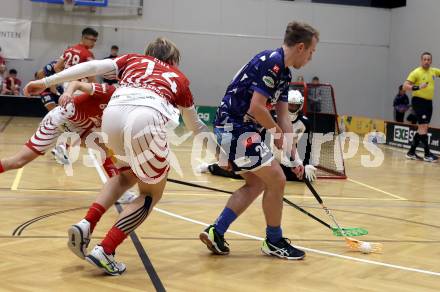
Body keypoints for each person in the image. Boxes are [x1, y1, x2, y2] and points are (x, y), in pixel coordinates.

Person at [24, 37, 211, 276]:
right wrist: (222, 156)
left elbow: (91, 68)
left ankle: (86, 224)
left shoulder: (133, 59)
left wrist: (46, 81)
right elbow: (196, 128)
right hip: (146, 118)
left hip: (112, 117)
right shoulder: (179, 78)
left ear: (148, 52)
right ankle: (106, 249)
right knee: (150, 193)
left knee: (126, 176)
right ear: (173, 61)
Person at [200, 21, 319, 260]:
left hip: (240, 129)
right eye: (311, 52)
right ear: (300, 47)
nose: (310, 58)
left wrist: (295, 158)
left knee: (256, 183)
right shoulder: (272, 62)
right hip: (235, 128)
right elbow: (257, 108)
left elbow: (284, 117)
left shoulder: (284, 72)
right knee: (277, 179)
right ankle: (274, 240)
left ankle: (216, 231)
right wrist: (275, 133)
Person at [198, 90, 317, 182]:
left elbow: (306, 146)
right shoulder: (271, 117)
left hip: (286, 161)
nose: (292, 108)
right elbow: (258, 134)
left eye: (295, 106)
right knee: (240, 172)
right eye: (289, 105)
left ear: (300, 106)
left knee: (300, 177)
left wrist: (305, 164)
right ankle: (210, 167)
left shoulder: (305, 123)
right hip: (266, 155)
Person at [403, 52, 439, 162]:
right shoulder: (416, 72)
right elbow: (405, 86)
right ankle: (427, 154)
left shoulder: (434, 71)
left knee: (423, 128)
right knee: (423, 127)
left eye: (429, 59)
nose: (427, 61)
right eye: (425, 59)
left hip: (428, 103)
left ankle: (411, 152)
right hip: (419, 101)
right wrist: (418, 87)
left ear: (431, 61)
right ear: (421, 60)